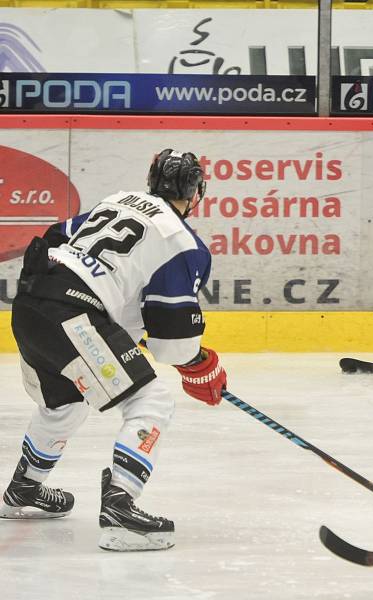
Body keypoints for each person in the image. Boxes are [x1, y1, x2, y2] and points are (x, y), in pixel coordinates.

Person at [0, 149, 227, 552]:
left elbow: (55, 237)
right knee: (152, 402)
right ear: (196, 194)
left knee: (64, 404)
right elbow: (172, 344)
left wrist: (114, 326)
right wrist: (200, 365)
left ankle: (24, 489)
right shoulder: (182, 242)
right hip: (74, 317)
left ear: (151, 180)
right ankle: (121, 506)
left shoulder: (117, 201)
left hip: (31, 305)